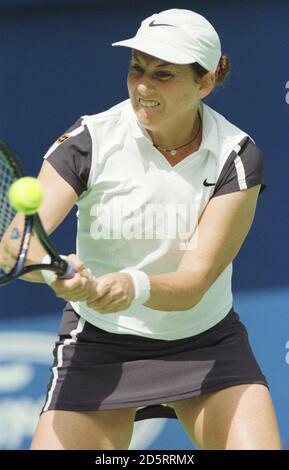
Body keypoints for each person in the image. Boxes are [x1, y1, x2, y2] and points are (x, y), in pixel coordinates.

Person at [6, 8, 282, 450]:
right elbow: (15, 244)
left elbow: (194, 282)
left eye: (164, 74)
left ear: (205, 82)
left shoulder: (236, 155)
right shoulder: (89, 140)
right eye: (137, 68)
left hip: (206, 343)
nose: (143, 86)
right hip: (99, 343)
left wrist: (131, 286)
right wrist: (54, 273)